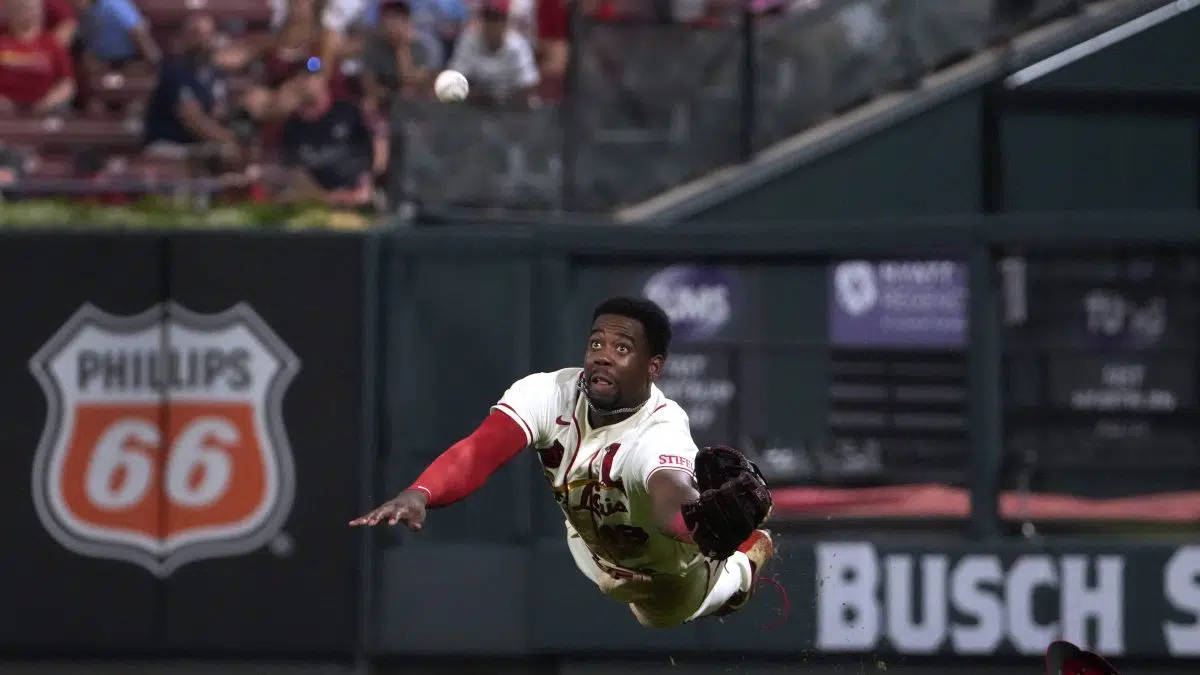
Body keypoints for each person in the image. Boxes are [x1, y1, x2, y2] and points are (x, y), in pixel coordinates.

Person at [352, 297, 776, 628]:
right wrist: (421, 492)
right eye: (597, 343)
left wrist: (699, 522)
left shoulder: (660, 431)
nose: (603, 355)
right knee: (603, 560)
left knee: (659, 617)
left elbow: (670, 494)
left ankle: (738, 571)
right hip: (589, 539)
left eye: (622, 348)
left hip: (666, 569)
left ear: (654, 368)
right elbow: (480, 451)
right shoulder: (547, 392)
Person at [141, 14, 237, 159]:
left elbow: (220, 111)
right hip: (169, 145)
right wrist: (231, 139)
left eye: (208, 34)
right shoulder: (174, 70)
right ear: (184, 37)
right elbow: (192, 119)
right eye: (196, 34)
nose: (203, 40)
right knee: (222, 153)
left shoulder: (215, 73)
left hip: (199, 145)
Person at [279, 68, 377, 205]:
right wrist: (323, 197)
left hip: (357, 197)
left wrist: (365, 187)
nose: (308, 84)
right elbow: (295, 170)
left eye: (313, 78)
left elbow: (374, 150)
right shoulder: (292, 124)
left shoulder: (348, 112)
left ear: (323, 81)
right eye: (303, 79)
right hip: (316, 202)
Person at [0, 0, 75, 115]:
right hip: (5, 110)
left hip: (44, 108)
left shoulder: (51, 43)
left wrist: (47, 103)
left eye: (31, 8)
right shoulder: (2, 42)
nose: (26, 11)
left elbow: (67, 84)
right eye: (19, 7)